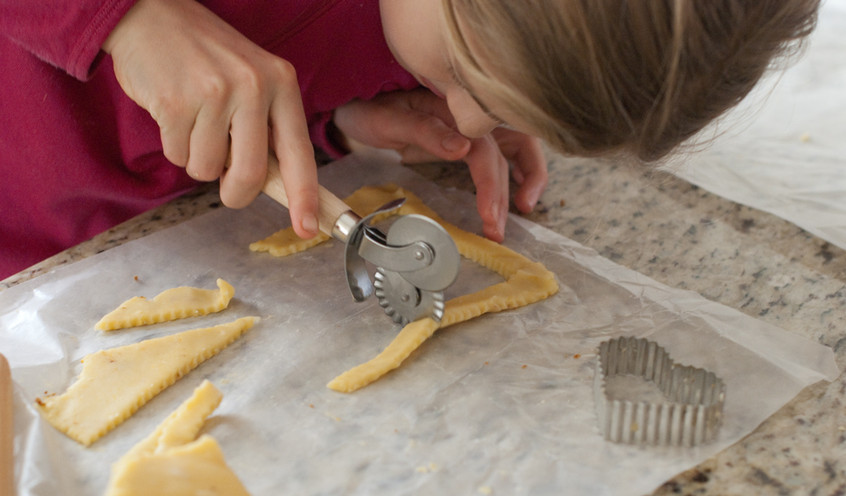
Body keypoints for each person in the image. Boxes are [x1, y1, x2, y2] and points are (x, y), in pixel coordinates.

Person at [0, 0, 820, 280]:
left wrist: (335, 124)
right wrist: (126, 17)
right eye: (464, 73)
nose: (466, 123)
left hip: (124, 245)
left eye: (497, 110)